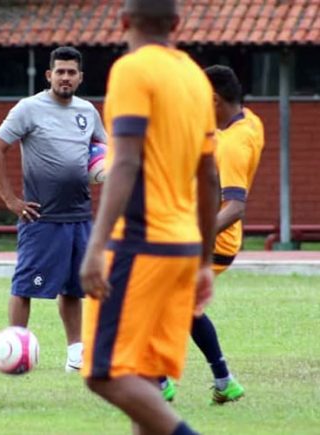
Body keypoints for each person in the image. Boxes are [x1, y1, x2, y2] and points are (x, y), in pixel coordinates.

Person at [78, 0, 219, 434]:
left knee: (103, 373)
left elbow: (125, 163)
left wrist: (96, 247)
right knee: (143, 380)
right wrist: (204, 262)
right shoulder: (195, 78)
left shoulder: (131, 70)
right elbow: (209, 176)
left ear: (123, 21)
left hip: (141, 243)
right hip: (182, 248)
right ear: (176, 24)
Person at [0, 46, 107, 372]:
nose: (65, 77)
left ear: (80, 77)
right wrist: (11, 200)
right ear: (49, 75)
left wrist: (105, 168)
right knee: (25, 286)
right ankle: (16, 349)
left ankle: (75, 355)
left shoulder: (88, 112)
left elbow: (103, 153)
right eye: (60, 71)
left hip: (80, 216)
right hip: (42, 217)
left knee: (73, 288)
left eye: (71, 72)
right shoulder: (29, 109)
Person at [160, 65, 263, 404]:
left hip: (211, 241)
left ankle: (159, 383)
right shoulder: (250, 120)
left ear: (215, 100)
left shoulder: (233, 144)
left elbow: (235, 207)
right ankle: (224, 381)